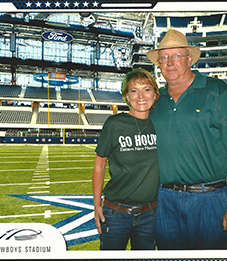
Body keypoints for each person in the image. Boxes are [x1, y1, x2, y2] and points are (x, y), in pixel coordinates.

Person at [147, 29, 227, 250]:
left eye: (177, 56)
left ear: (189, 58)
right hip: (164, 200)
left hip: (209, 198)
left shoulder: (216, 91)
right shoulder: (155, 100)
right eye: (164, 57)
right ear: (159, 63)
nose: (169, 62)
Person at [92, 68, 160, 250]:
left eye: (147, 89)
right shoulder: (114, 124)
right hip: (116, 212)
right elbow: (99, 165)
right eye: (134, 90)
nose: (141, 96)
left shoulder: (161, 123)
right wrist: (96, 204)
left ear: (155, 94)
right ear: (127, 96)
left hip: (151, 213)